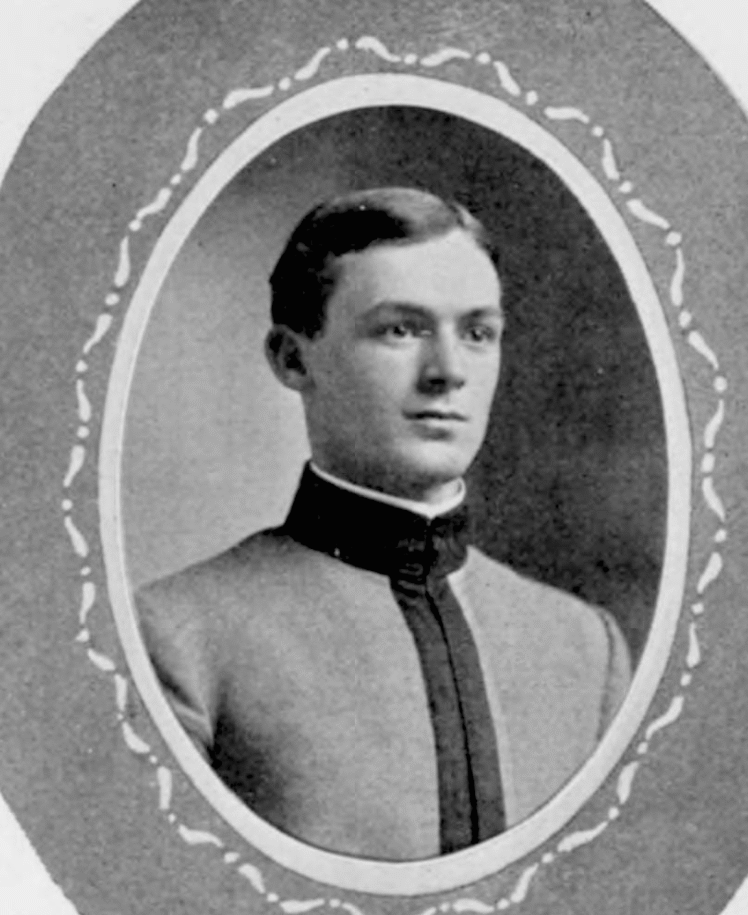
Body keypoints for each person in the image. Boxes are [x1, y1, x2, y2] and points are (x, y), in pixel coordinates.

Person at [136, 187, 631, 861]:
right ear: (291, 358)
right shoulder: (177, 639)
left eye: (477, 333)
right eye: (400, 330)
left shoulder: (583, 648)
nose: (447, 372)